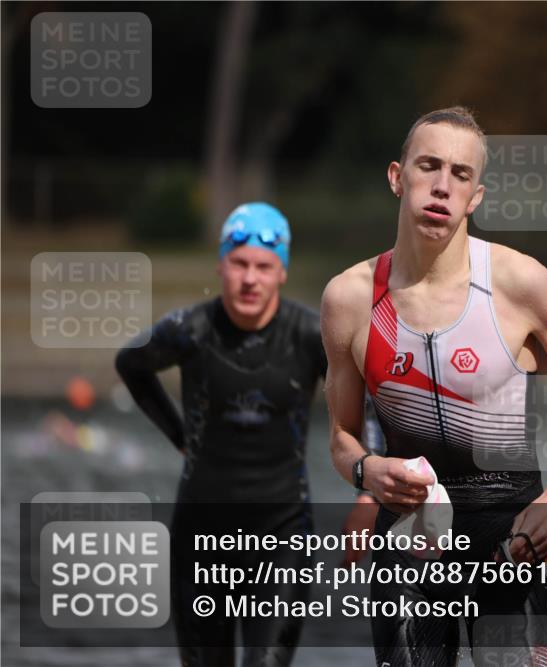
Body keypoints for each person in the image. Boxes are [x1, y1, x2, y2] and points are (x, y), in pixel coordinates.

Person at [320, 106, 547, 667]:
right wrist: (366, 471)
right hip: (408, 540)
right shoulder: (350, 299)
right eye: (429, 166)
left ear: (475, 197)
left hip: (510, 539)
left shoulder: (518, 283)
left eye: (460, 174)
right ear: (397, 177)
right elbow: (341, 436)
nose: (442, 186)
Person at [115, 202, 381, 667]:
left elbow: (370, 405)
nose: (250, 279)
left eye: (263, 266)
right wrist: (179, 435)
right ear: (221, 265)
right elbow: (130, 364)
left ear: (282, 272)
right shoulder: (190, 330)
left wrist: (367, 496)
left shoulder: (310, 335)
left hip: (281, 538)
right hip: (200, 540)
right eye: (239, 263)